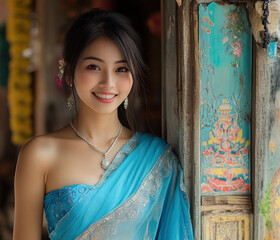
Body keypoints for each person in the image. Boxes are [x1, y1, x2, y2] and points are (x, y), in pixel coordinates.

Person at [13, 8, 194, 240]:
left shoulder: (158, 160)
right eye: (94, 67)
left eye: (121, 69)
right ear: (68, 71)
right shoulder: (40, 154)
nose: (108, 82)